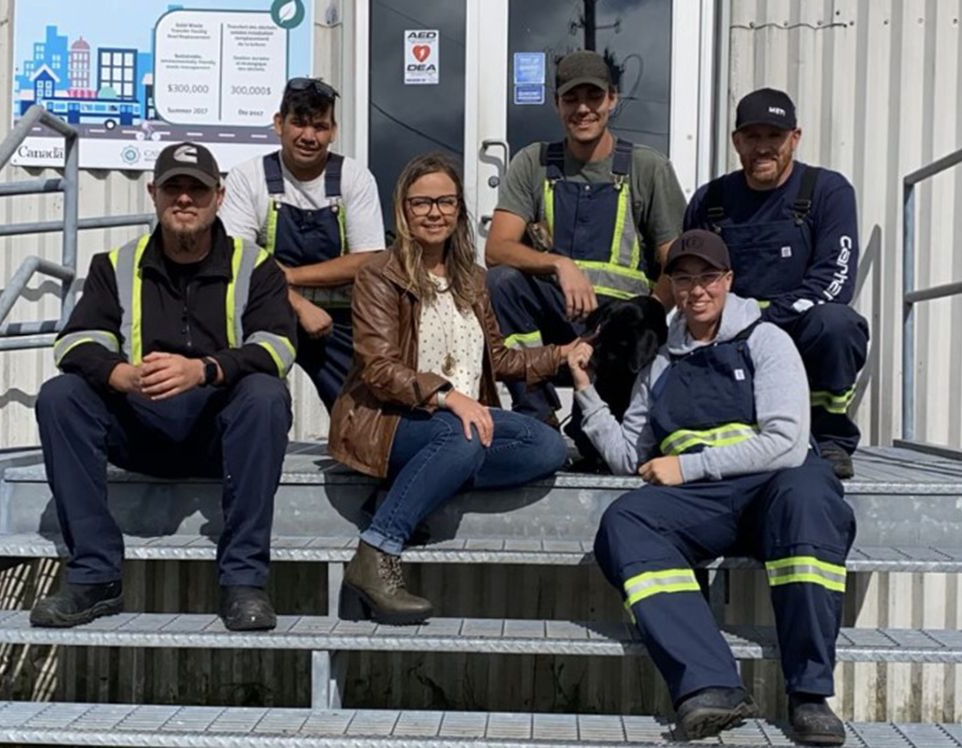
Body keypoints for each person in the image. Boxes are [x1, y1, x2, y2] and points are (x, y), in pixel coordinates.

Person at [567, 229, 855, 744]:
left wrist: (688, 468)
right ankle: (710, 685)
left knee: (810, 494)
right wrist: (585, 393)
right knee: (625, 521)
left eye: (707, 278)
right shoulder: (660, 363)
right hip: (703, 505)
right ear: (672, 286)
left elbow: (788, 442)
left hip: (774, 489)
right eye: (684, 279)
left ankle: (809, 694)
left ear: (728, 281)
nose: (696, 290)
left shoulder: (766, 340)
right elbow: (630, 456)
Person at [31, 142, 297, 632]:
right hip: (140, 423)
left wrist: (205, 370)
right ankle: (95, 577)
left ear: (218, 196)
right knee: (60, 396)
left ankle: (243, 583)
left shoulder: (256, 265)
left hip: (219, 433)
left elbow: (279, 346)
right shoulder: (114, 264)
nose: (184, 199)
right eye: (173, 187)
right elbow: (74, 342)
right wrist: (120, 374)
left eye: (196, 189)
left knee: (265, 396)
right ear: (153, 193)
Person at [328, 153, 576, 624]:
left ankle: (408, 491)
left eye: (445, 201)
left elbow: (498, 360)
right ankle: (377, 551)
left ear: (460, 210)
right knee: (462, 436)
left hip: (459, 422)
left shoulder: (472, 281)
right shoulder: (379, 274)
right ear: (402, 209)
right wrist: (447, 396)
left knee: (545, 444)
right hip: (392, 419)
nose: (434, 212)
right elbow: (378, 368)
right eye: (421, 202)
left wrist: (561, 355)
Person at [484, 49, 686, 460]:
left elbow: (677, 262)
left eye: (593, 97)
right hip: (555, 321)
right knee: (500, 282)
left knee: (601, 455)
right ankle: (537, 415)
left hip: (619, 329)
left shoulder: (647, 167)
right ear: (556, 103)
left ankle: (594, 427)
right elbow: (497, 248)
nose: (582, 109)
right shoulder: (533, 163)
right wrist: (560, 264)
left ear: (612, 99)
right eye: (571, 98)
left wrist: (647, 308)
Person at [683, 88, 868, 479]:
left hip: (798, 331)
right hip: (729, 336)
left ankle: (829, 438)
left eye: (774, 137)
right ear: (736, 142)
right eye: (753, 137)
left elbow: (836, 279)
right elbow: (693, 279)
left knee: (838, 324)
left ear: (794, 139)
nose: (763, 148)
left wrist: (765, 326)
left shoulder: (828, 191)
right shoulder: (710, 200)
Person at [220, 77, 385, 411]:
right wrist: (296, 303)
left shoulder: (354, 177)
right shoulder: (247, 177)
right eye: (299, 123)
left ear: (333, 131)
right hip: (263, 313)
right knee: (255, 398)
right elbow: (234, 259)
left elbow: (368, 260)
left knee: (362, 415)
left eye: (320, 127)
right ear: (279, 124)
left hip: (338, 319)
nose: (309, 136)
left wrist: (290, 276)